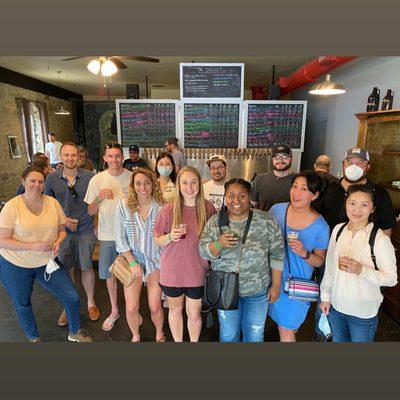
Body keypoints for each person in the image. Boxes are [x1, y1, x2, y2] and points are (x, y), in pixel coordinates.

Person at [0, 166, 92, 342]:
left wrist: (58, 241)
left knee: (71, 296)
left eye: (40, 181)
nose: (36, 185)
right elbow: (2, 241)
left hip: (46, 262)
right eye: (32, 181)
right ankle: (33, 338)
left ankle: (74, 332)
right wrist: (32, 246)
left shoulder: (52, 203)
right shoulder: (12, 207)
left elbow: (61, 230)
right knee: (22, 303)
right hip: (15, 265)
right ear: (23, 182)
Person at [199, 178, 285, 342]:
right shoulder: (215, 221)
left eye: (242, 196)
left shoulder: (266, 220)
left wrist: (275, 285)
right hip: (226, 291)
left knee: (254, 335)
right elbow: (203, 251)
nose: (236, 201)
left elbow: (277, 254)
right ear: (225, 197)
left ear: (249, 197)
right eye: (231, 196)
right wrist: (219, 243)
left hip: (257, 291)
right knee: (228, 335)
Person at [319, 184, 397, 342]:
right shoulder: (338, 230)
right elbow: (329, 267)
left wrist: (362, 270)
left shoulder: (380, 239)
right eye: (352, 203)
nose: (357, 210)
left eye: (364, 205)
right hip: (336, 308)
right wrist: (325, 296)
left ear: (373, 208)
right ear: (346, 204)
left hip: (363, 314)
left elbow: (391, 278)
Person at [154, 166, 216, 342]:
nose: (190, 187)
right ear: (179, 186)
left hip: (197, 270)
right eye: (185, 183)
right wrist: (169, 237)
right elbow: (157, 239)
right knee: (175, 310)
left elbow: (214, 240)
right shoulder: (168, 209)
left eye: (194, 182)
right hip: (172, 272)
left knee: (194, 313)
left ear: (199, 184)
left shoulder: (208, 207)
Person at [268, 171, 330, 342]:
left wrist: (305, 253)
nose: (296, 192)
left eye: (304, 189)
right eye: (295, 186)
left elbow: (319, 261)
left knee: (286, 329)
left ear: (315, 195)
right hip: (271, 279)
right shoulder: (276, 210)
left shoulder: (321, 227)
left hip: (295, 287)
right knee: (275, 325)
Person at [45, 142, 100, 327]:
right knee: (66, 269)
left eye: (73, 155)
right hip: (62, 233)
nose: (70, 158)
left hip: (85, 230)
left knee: (86, 267)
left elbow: (96, 203)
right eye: (66, 155)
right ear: (61, 157)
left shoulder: (90, 177)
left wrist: (96, 224)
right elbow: (47, 206)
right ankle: (68, 306)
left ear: (79, 157)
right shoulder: (51, 179)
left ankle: (91, 302)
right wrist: (61, 220)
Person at [84, 142, 132, 332]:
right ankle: (114, 311)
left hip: (130, 236)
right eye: (110, 156)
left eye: (118, 156)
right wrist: (98, 199)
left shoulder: (132, 178)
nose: (114, 159)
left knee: (131, 275)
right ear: (105, 158)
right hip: (108, 236)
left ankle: (132, 310)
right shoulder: (97, 180)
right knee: (110, 275)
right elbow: (89, 211)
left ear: (123, 157)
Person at [115, 167, 165, 342]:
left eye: (147, 183)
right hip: (132, 260)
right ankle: (135, 335)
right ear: (132, 185)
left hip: (155, 261)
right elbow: (120, 238)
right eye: (138, 183)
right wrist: (132, 262)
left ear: (153, 185)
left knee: (155, 306)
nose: (142, 187)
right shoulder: (123, 205)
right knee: (131, 308)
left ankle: (159, 332)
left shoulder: (161, 206)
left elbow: (166, 237)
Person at [250, 144, 295, 211]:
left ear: (291, 159)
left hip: (288, 221)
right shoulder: (259, 179)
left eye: (285, 157)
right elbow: (252, 207)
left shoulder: (298, 181)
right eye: (276, 157)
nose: (280, 160)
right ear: (272, 159)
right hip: (264, 221)